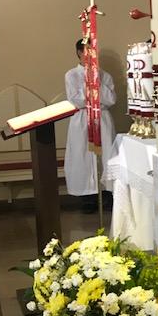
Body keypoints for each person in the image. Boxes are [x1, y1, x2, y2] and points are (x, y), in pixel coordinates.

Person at [64, 39, 116, 212]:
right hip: (82, 120)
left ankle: (107, 194)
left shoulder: (105, 75)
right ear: (80, 52)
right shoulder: (72, 75)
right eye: (88, 51)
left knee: (105, 155)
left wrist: (96, 81)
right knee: (84, 156)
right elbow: (76, 99)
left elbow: (110, 99)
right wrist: (90, 87)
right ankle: (88, 198)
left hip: (102, 119)